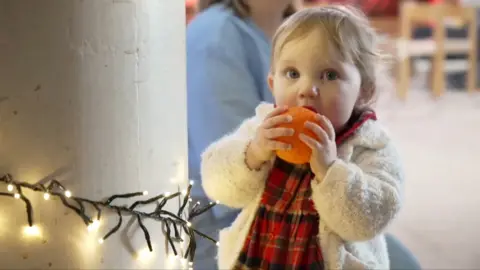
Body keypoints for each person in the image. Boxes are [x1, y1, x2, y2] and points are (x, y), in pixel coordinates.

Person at [200, 6, 407, 269]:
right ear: (273, 84)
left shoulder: (371, 145)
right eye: (293, 74)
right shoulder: (264, 129)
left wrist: (330, 170)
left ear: (364, 92)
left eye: (330, 75)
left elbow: (371, 219)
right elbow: (216, 185)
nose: (307, 90)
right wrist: (251, 155)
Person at [186, 0, 296, 269]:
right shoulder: (217, 36)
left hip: (282, 207)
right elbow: (233, 171)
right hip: (223, 227)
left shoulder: (290, 29)